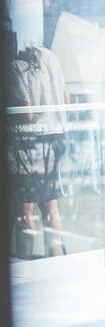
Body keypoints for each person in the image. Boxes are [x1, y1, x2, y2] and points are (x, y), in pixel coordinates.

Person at [8, 46, 69, 258]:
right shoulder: (52, 60)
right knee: (50, 205)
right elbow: (66, 98)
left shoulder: (15, 67)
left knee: (25, 209)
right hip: (57, 139)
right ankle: (55, 259)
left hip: (31, 143)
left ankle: (26, 262)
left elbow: (27, 113)